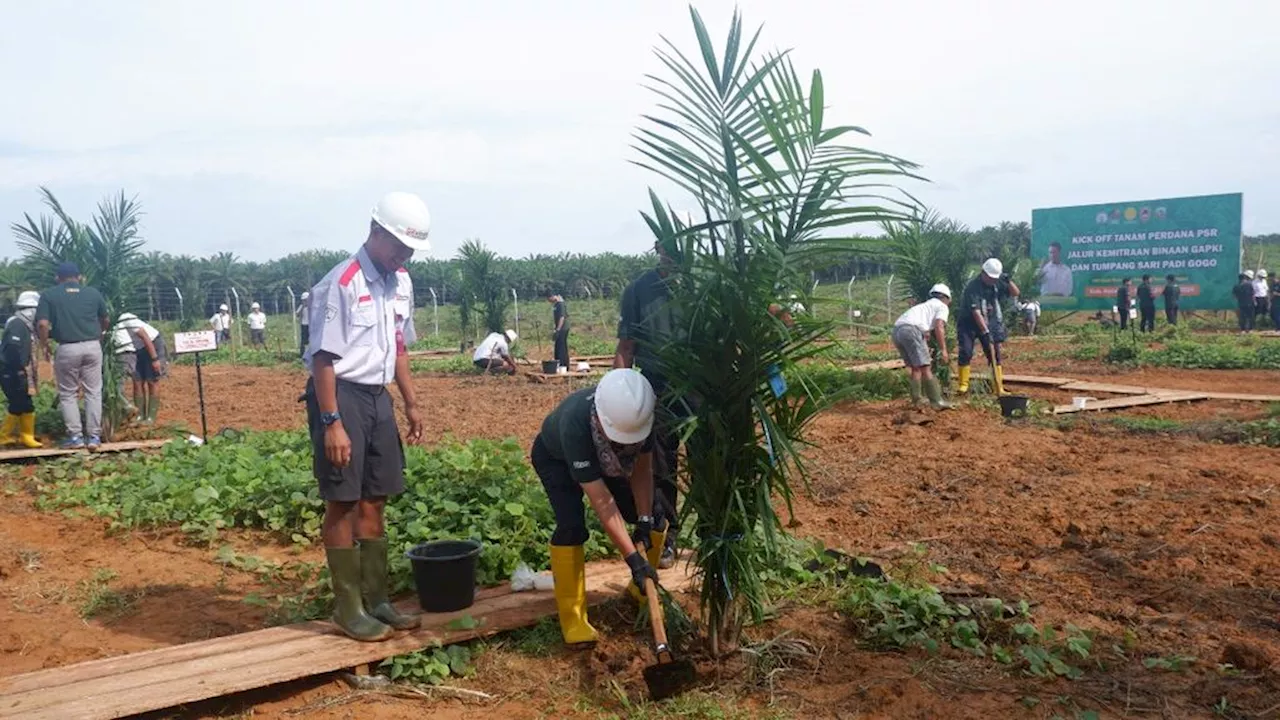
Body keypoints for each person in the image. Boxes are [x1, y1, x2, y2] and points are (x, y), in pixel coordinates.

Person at [302, 191, 429, 642]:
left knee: (377, 497)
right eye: (398, 246)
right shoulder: (343, 281)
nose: (403, 255)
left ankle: (378, 601)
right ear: (375, 232)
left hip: (378, 397)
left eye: (410, 249)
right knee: (344, 500)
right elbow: (322, 360)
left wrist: (410, 401)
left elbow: (398, 346)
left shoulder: (401, 282)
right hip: (342, 396)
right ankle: (349, 609)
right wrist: (331, 421)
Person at [532, 368, 667, 646]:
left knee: (655, 517)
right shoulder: (576, 423)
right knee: (571, 527)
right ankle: (574, 619)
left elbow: (643, 471)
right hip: (555, 458)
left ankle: (643, 590)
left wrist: (642, 521)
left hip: (607, 459)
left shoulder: (641, 417)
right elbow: (603, 502)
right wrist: (632, 559)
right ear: (602, 419)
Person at [614, 238, 683, 569]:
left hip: (702, 384)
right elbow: (626, 347)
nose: (672, 252)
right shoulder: (640, 290)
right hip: (658, 384)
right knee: (660, 461)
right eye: (666, 245)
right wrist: (619, 395)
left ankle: (717, 537)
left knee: (711, 457)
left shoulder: (705, 285)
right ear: (658, 247)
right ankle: (666, 535)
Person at [36, 262, 109, 450]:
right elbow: (105, 319)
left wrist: (44, 345)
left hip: (67, 347)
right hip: (93, 346)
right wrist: (99, 335)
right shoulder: (93, 293)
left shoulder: (49, 295)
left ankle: (75, 437)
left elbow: (43, 324)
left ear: (57, 278)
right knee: (93, 392)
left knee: (68, 393)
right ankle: (94, 437)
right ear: (80, 277)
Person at [955, 258, 1019, 396]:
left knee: (994, 355)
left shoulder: (998, 282)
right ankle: (963, 385)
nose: (992, 281)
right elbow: (976, 312)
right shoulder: (972, 287)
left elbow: (1015, 293)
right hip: (969, 324)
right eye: (990, 278)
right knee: (966, 351)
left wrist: (1008, 281)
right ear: (983, 273)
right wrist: (985, 332)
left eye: (995, 278)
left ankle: (998, 386)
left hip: (989, 321)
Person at [891, 284, 952, 410]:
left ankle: (916, 400)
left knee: (915, 367)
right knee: (925, 367)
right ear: (946, 298)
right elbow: (939, 326)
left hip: (897, 331)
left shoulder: (923, 307)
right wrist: (943, 350)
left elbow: (922, 326)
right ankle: (936, 401)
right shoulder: (942, 306)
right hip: (911, 331)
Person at [0, 291, 43, 448]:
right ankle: (14, 436)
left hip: (14, 370)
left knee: (22, 403)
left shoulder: (23, 325)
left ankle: (18, 436)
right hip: (11, 371)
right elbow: (12, 348)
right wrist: (19, 369)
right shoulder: (18, 325)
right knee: (20, 403)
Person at [114, 313, 167, 424]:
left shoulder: (126, 318)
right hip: (136, 349)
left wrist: (155, 359)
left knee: (152, 381)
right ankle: (140, 416)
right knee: (137, 381)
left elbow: (145, 336)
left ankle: (150, 418)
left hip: (152, 344)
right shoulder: (113, 323)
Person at [549, 294, 570, 371]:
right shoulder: (556, 304)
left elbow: (562, 317)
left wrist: (558, 329)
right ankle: (558, 365)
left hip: (563, 328)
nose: (549, 301)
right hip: (559, 328)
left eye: (549, 298)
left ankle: (563, 366)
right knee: (557, 347)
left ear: (553, 296)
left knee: (561, 347)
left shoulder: (561, 304)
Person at [296, 291, 311, 358]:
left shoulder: (312, 306)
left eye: (306, 300)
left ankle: (311, 354)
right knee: (303, 341)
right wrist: (303, 307)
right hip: (304, 325)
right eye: (303, 300)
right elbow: (297, 314)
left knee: (311, 340)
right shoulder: (301, 306)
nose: (304, 301)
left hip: (311, 325)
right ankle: (302, 354)